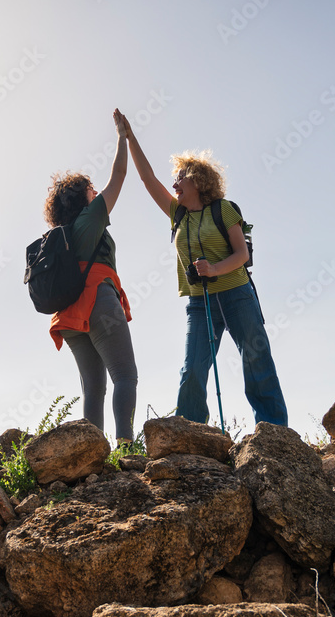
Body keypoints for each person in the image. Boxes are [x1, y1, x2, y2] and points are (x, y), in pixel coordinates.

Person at [118, 108, 287, 427]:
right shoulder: (176, 213)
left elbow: (242, 256)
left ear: (197, 180)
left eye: (180, 177)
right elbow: (146, 178)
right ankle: (191, 434)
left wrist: (214, 269)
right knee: (192, 369)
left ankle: (274, 432)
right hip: (200, 302)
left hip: (237, 295)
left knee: (256, 361)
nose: (174, 182)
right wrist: (129, 136)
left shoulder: (223, 210)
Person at [44, 110, 137, 443]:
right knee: (125, 376)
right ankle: (125, 447)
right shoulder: (91, 217)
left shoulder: (63, 232)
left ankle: (91, 457)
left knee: (93, 388)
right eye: (92, 190)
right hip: (98, 300)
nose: (97, 193)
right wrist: (122, 137)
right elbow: (121, 173)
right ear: (83, 198)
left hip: (68, 314)